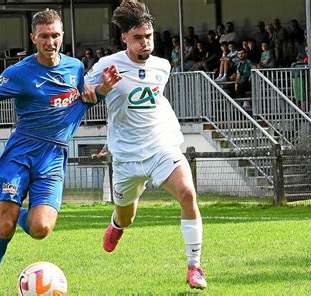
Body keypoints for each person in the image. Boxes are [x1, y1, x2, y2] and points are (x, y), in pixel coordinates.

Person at [0, 9, 121, 296]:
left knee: (41, 229)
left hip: (54, 157)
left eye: (55, 35)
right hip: (21, 152)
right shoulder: (19, 73)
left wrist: (102, 90)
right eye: (44, 36)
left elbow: (81, 103)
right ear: (33, 38)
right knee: (4, 226)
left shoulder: (76, 68)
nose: (50, 41)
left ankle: (16, 212)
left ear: (62, 36)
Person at [84, 0, 207, 290]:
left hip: (160, 146)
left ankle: (195, 267)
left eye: (148, 36)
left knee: (188, 193)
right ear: (124, 38)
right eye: (138, 38)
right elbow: (85, 92)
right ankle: (116, 225)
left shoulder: (162, 66)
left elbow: (152, 101)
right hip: (126, 156)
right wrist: (95, 89)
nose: (145, 43)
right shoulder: (107, 65)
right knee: (126, 216)